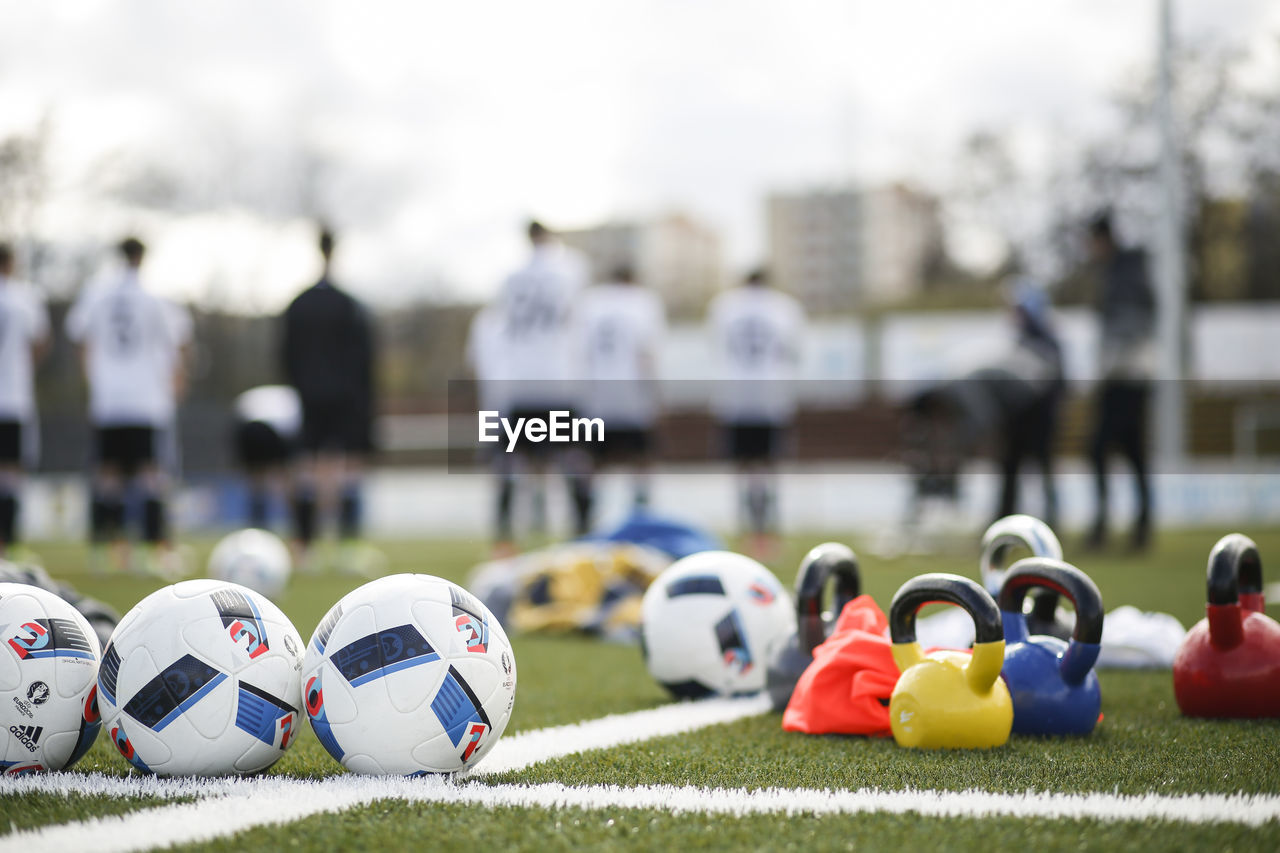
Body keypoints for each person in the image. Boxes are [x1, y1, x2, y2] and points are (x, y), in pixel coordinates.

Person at [66, 237, 192, 575]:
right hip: (147, 399)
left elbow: (80, 338)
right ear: (143, 257)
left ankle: (104, 550)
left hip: (109, 398)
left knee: (107, 474)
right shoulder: (156, 297)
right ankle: (154, 551)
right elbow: (178, 342)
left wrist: (94, 379)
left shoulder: (97, 293)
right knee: (150, 474)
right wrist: (177, 381)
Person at [488, 220, 590, 549]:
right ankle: (582, 529)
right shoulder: (569, 268)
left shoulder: (510, 276)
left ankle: (505, 535)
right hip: (558, 377)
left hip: (521, 379)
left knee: (513, 460)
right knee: (572, 456)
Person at [281, 226, 377, 572]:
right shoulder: (350, 305)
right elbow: (365, 359)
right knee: (348, 469)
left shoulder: (299, 305)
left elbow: (285, 355)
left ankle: (304, 548)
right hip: (346, 399)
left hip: (309, 396)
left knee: (307, 469)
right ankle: (348, 548)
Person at [708, 268, 805, 559]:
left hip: (735, 395)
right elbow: (794, 352)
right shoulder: (785, 307)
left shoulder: (724, 306)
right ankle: (766, 535)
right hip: (771, 396)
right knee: (768, 467)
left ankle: (748, 534)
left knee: (742, 468)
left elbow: (717, 347)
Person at [1085, 212, 1155, 551]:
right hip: (1131, 378)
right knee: (1132, 453)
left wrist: (1104, 374)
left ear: (1103, 239)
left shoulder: (1123, 275)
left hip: (1124, 378)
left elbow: (1128, 331)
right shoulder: (1125, 272)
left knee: (1101, 449)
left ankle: (1105, 527)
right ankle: (1140, 528)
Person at [574, 264, 666, 511]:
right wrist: (655, 393)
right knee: (640, 458)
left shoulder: (590, 303)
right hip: (631, 392)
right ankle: (641, 511)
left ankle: (586, 514)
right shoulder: (643, 302)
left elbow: (580, 352)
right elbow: (646, 352)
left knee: (594, 460)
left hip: (597, 394)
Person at [993, 278, 1064, 528]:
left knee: (1039, 471)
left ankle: (1051, 522)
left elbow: (1057, 384)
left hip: (1039, 419)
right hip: (1018, 420)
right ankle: (1003, 524)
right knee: (1011, 472)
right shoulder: (1024, 341)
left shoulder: (1044, 343)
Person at [0, 242, 51, 558]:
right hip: (12, 398)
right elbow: (39, 343)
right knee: (12, 471)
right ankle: (9, 542)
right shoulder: (24, 297)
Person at [231, 384, 301, 530]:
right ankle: (295, 523)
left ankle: (258, 520)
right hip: (265, 429)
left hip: (247, 426)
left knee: (256, 478)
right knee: (286, 477)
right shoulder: (297, 401)